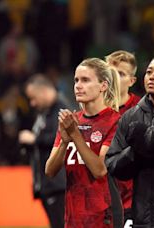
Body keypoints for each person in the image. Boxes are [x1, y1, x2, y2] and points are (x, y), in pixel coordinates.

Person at [45, 58, 123, 227]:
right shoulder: (71, 121)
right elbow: (50, 171)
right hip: (73, 216)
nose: (78, 85)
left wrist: (75, 135)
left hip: (104, 216)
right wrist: (65, 142)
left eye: (85, 80)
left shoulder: (115, 121)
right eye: (76, 80)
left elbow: (100, 170)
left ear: (103, 85)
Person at [106, 54, 154, 227]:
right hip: (141, 215)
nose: (152, 77)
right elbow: (112, 164)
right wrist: (137, 151)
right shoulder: (131, 117)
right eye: (149, 72)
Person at [18, 74, 68, 228]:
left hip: (58, 184)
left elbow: (61, 138)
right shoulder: (45, 112)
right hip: (48, 184)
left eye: (33, 98)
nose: (32, 103)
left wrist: (34, 140)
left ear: (44, 91)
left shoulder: (61, 109)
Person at [105, 50, 141, 225]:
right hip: (102, 199)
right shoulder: (93, 109)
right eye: (110, 72)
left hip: (133, 198)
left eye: (120, 73)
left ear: (132, 81)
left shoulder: (141, 109)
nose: (114, 78)